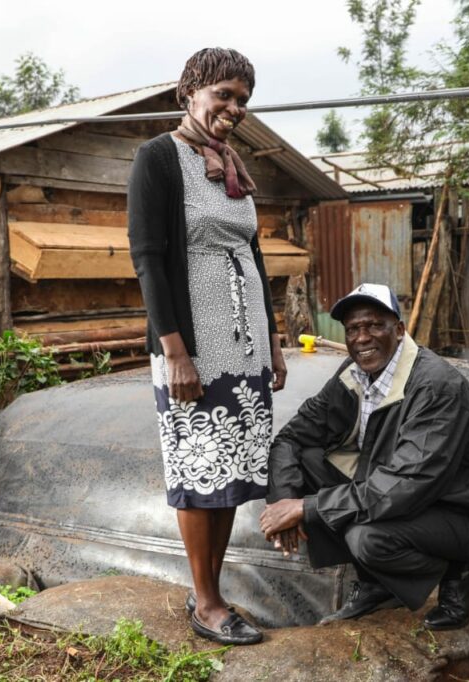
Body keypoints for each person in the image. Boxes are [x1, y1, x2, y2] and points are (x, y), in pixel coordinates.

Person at [128, 47, 286, 646]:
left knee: (231, 472)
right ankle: (208, 601)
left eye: (243, 99)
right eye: (224, 93)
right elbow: (147, 257)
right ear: (190, 90)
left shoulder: (233, 168)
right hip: (193, 343)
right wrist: (174, 351)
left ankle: (210, 591)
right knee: (199, 469)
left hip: (242, 344)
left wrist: (272, 340)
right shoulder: (158, 158)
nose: (234, 107)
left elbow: (254, 255)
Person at [259, 283, 469, 630]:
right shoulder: (354, 374)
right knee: (305, 461)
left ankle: (460, 571)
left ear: (400, 330)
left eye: (374, 325)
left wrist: (305, 508)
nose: (362, 338)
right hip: (398, 490)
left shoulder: (435, 387)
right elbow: (291, 437)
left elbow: (407, 484)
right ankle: (377, 584)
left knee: (367, 539)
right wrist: (285, 498)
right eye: (353, 329)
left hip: (464, 512)